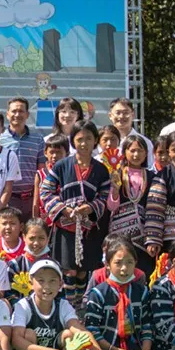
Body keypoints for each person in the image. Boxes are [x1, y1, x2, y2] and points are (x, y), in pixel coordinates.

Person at [83, 238, 169, 350]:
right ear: (107, 264)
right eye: (118, 263)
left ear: (136, 263)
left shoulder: (142, 292)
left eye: (129, 262)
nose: (124, 268)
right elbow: (92, 331)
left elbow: (147, 325)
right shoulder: (98, 294)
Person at [11, 259, 113, 350]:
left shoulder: (63, 305)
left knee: (72, 335)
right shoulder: (23, 305)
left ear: (60, 284)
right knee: (28, 334)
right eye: (41, 281)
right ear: (31, 283)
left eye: (52, 281)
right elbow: (16, 339)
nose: (47, 286)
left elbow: (82, 333)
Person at [40, 120, 110, 311]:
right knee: (68, 270)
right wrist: (63, 209)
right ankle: (69, 307)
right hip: (65, 227)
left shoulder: (101, 169)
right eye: (79, 139)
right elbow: (46, 191)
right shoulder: (62, 166)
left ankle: (81, 307)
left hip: (89, 229)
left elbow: (104, 195)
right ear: (73, 141)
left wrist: (91, 207)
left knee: (83, 270)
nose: (84, 143)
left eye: (89, 138)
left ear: (95, 140)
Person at [107, 135, 155, 274]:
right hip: (120, 234)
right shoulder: (117, 174)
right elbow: (111, 207)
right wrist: (115, 190)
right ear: (124, 153)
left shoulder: (152, 176)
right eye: (132, 150)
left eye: (140, 150)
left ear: (146, 153)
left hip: (144, 235)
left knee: (144, 271)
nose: (136, 154)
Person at [0, 98, 46, 222]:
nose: (17, 114)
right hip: (8, 199)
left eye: (21, 111)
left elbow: (41, 171)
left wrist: (38, 199)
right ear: (7, 114)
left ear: (27, 114)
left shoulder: (38, 139)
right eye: (14, 111)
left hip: (31, 199)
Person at [108, 97, 154, 166]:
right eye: (118, 113)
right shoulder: (104, 141)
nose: (121, 116)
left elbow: (150, 167)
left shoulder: (145, 142)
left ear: (133, 115)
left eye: (126, 113)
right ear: (110, 116)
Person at [33, 134, 69, 222]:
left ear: (67, 153)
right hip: (45, 221)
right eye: (51, 152)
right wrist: (35, 222)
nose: (54, 156)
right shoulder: (40, 174)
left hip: (65, 220)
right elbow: (36, 202)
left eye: (59, 152)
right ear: (45, 153)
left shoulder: (70, 173)